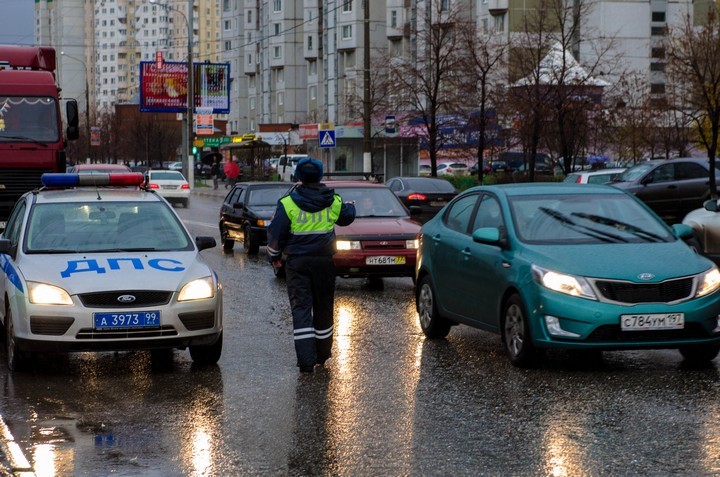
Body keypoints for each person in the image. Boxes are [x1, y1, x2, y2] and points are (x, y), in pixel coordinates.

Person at [266, 158, 356, 373]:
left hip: (297, 264)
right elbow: (346, 218)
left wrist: (274, 256)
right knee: (323, 307)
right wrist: (351, 207)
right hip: (324, 262)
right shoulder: (332, 199)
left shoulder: (287, 202)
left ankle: (306, 361)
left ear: (298, 177)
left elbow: (276, 233)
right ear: (320, 176)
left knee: (301, 309)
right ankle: (322, 355)